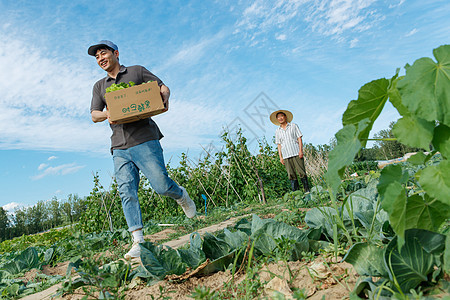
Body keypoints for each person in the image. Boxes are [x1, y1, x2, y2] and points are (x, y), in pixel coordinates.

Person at [88, 40, 197, 259]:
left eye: (103, 53)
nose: (100, 58)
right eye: (97, 56)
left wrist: (165, 94)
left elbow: (162, 87)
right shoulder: (99, 86)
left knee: (160, 185)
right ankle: (138, 240)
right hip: (119, 145)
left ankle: (180, 194)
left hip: (145, 138)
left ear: (115, 53)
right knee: (126, 190)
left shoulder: (136, 72)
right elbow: (94, 115)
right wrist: (107, 114)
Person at [270, 109, 310, 192]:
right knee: (291, 175)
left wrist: (301, 151)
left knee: (301, 172)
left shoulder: (293, 126)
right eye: (278, 117)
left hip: (296, 152)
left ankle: (307, 191)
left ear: (285, 117)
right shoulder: (277, 131)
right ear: (277, 119)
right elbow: (279, 145)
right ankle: (297, 194)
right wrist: (281, 157)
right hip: (286, 155)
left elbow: (299, 138)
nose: (280, 118)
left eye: (281, 116)